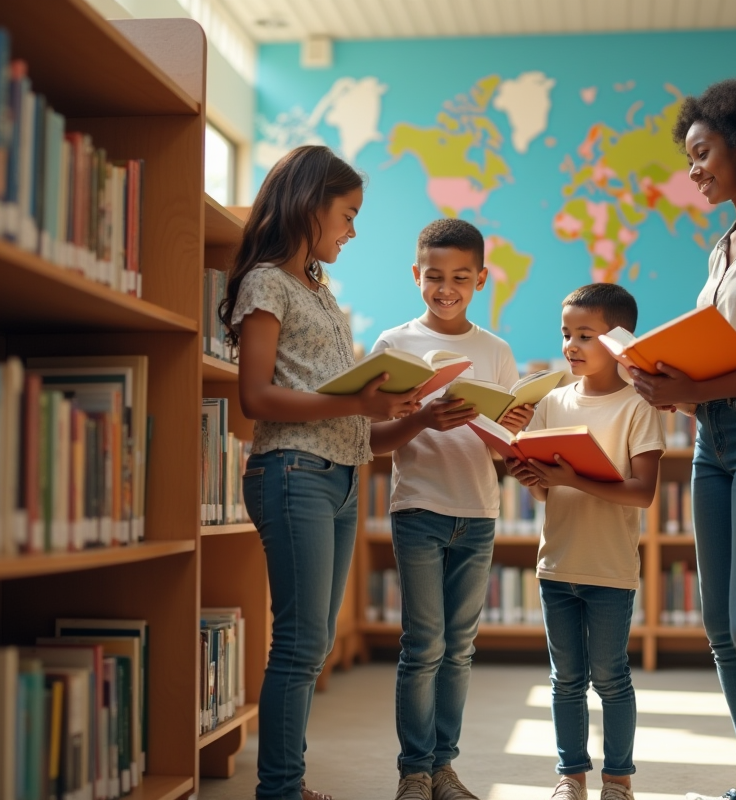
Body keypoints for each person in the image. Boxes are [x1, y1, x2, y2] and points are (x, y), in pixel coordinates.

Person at [221, 144, 420, 800]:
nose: (353, 230)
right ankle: (279, 789)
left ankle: (288, 782)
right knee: (301, 641)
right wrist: (358, 401)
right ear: (311, 204)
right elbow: (256, 398)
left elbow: (354, 421)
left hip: (341, 476)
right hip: (292, 471)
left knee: (316, 642)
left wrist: (416, 419)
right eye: (349, 214)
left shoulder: (322, 293)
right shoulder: (266, 283)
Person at [628, 77, 736, 800]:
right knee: (718, 627)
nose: (694, 169)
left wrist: (691, 390)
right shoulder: (722, 247)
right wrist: (669, 380)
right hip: (713, 439)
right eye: (691, 156)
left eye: (703, 153)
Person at [370, 218, 535, 800]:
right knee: (423, 646)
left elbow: (509, 448)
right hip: (418, 508)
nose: (447, 288)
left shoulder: (496, 350)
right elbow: (369, 440)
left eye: (460, 277)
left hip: (479, 511)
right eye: (434, 276)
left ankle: (444, 768)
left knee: (459, 648)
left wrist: (513, 426)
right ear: (416, 275)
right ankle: (414, 771)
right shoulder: (393, 345)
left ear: (481, 279)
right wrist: (420, 417)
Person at [506, 283, 665, 800]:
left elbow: (642, 494)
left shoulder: (638, 407)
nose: (571, 346)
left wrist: (572, 479)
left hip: (610, 570)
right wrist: (531, 476)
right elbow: (549, 486)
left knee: (611, 678)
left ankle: (618, 780)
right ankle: (570, 777)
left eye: (585, 335)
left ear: (619, 340)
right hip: (556, 564)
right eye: (566, 334)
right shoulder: (551, 403)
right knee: (565, 681)